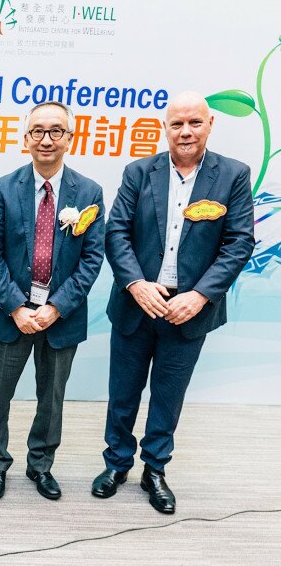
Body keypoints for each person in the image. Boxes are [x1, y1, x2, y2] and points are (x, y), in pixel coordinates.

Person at [93, 91, 255, 513]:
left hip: (189, 310)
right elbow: (116, 233)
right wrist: (135, 284)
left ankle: (155, 470)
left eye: (194, 122)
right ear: (165, 128)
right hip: (137, 303)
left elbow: (239, 243)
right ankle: (116, 464)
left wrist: (200, 295)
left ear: (209, 125)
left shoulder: (233, 175)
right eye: (177, 123)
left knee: (168, 393)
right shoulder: (138, 172)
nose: (185, 131)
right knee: (123, 393)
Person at [0, 101, 105, 500]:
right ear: (25, 137)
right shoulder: (4, 188)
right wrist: (17, 307)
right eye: (37, 131)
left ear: (70, 137)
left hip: (61, 317)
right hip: (8, 314)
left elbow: (91, 259)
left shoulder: (88, 192)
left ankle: (41, 466)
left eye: (55, 131)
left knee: (52, 398)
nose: (46, 139)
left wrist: (56, 307)